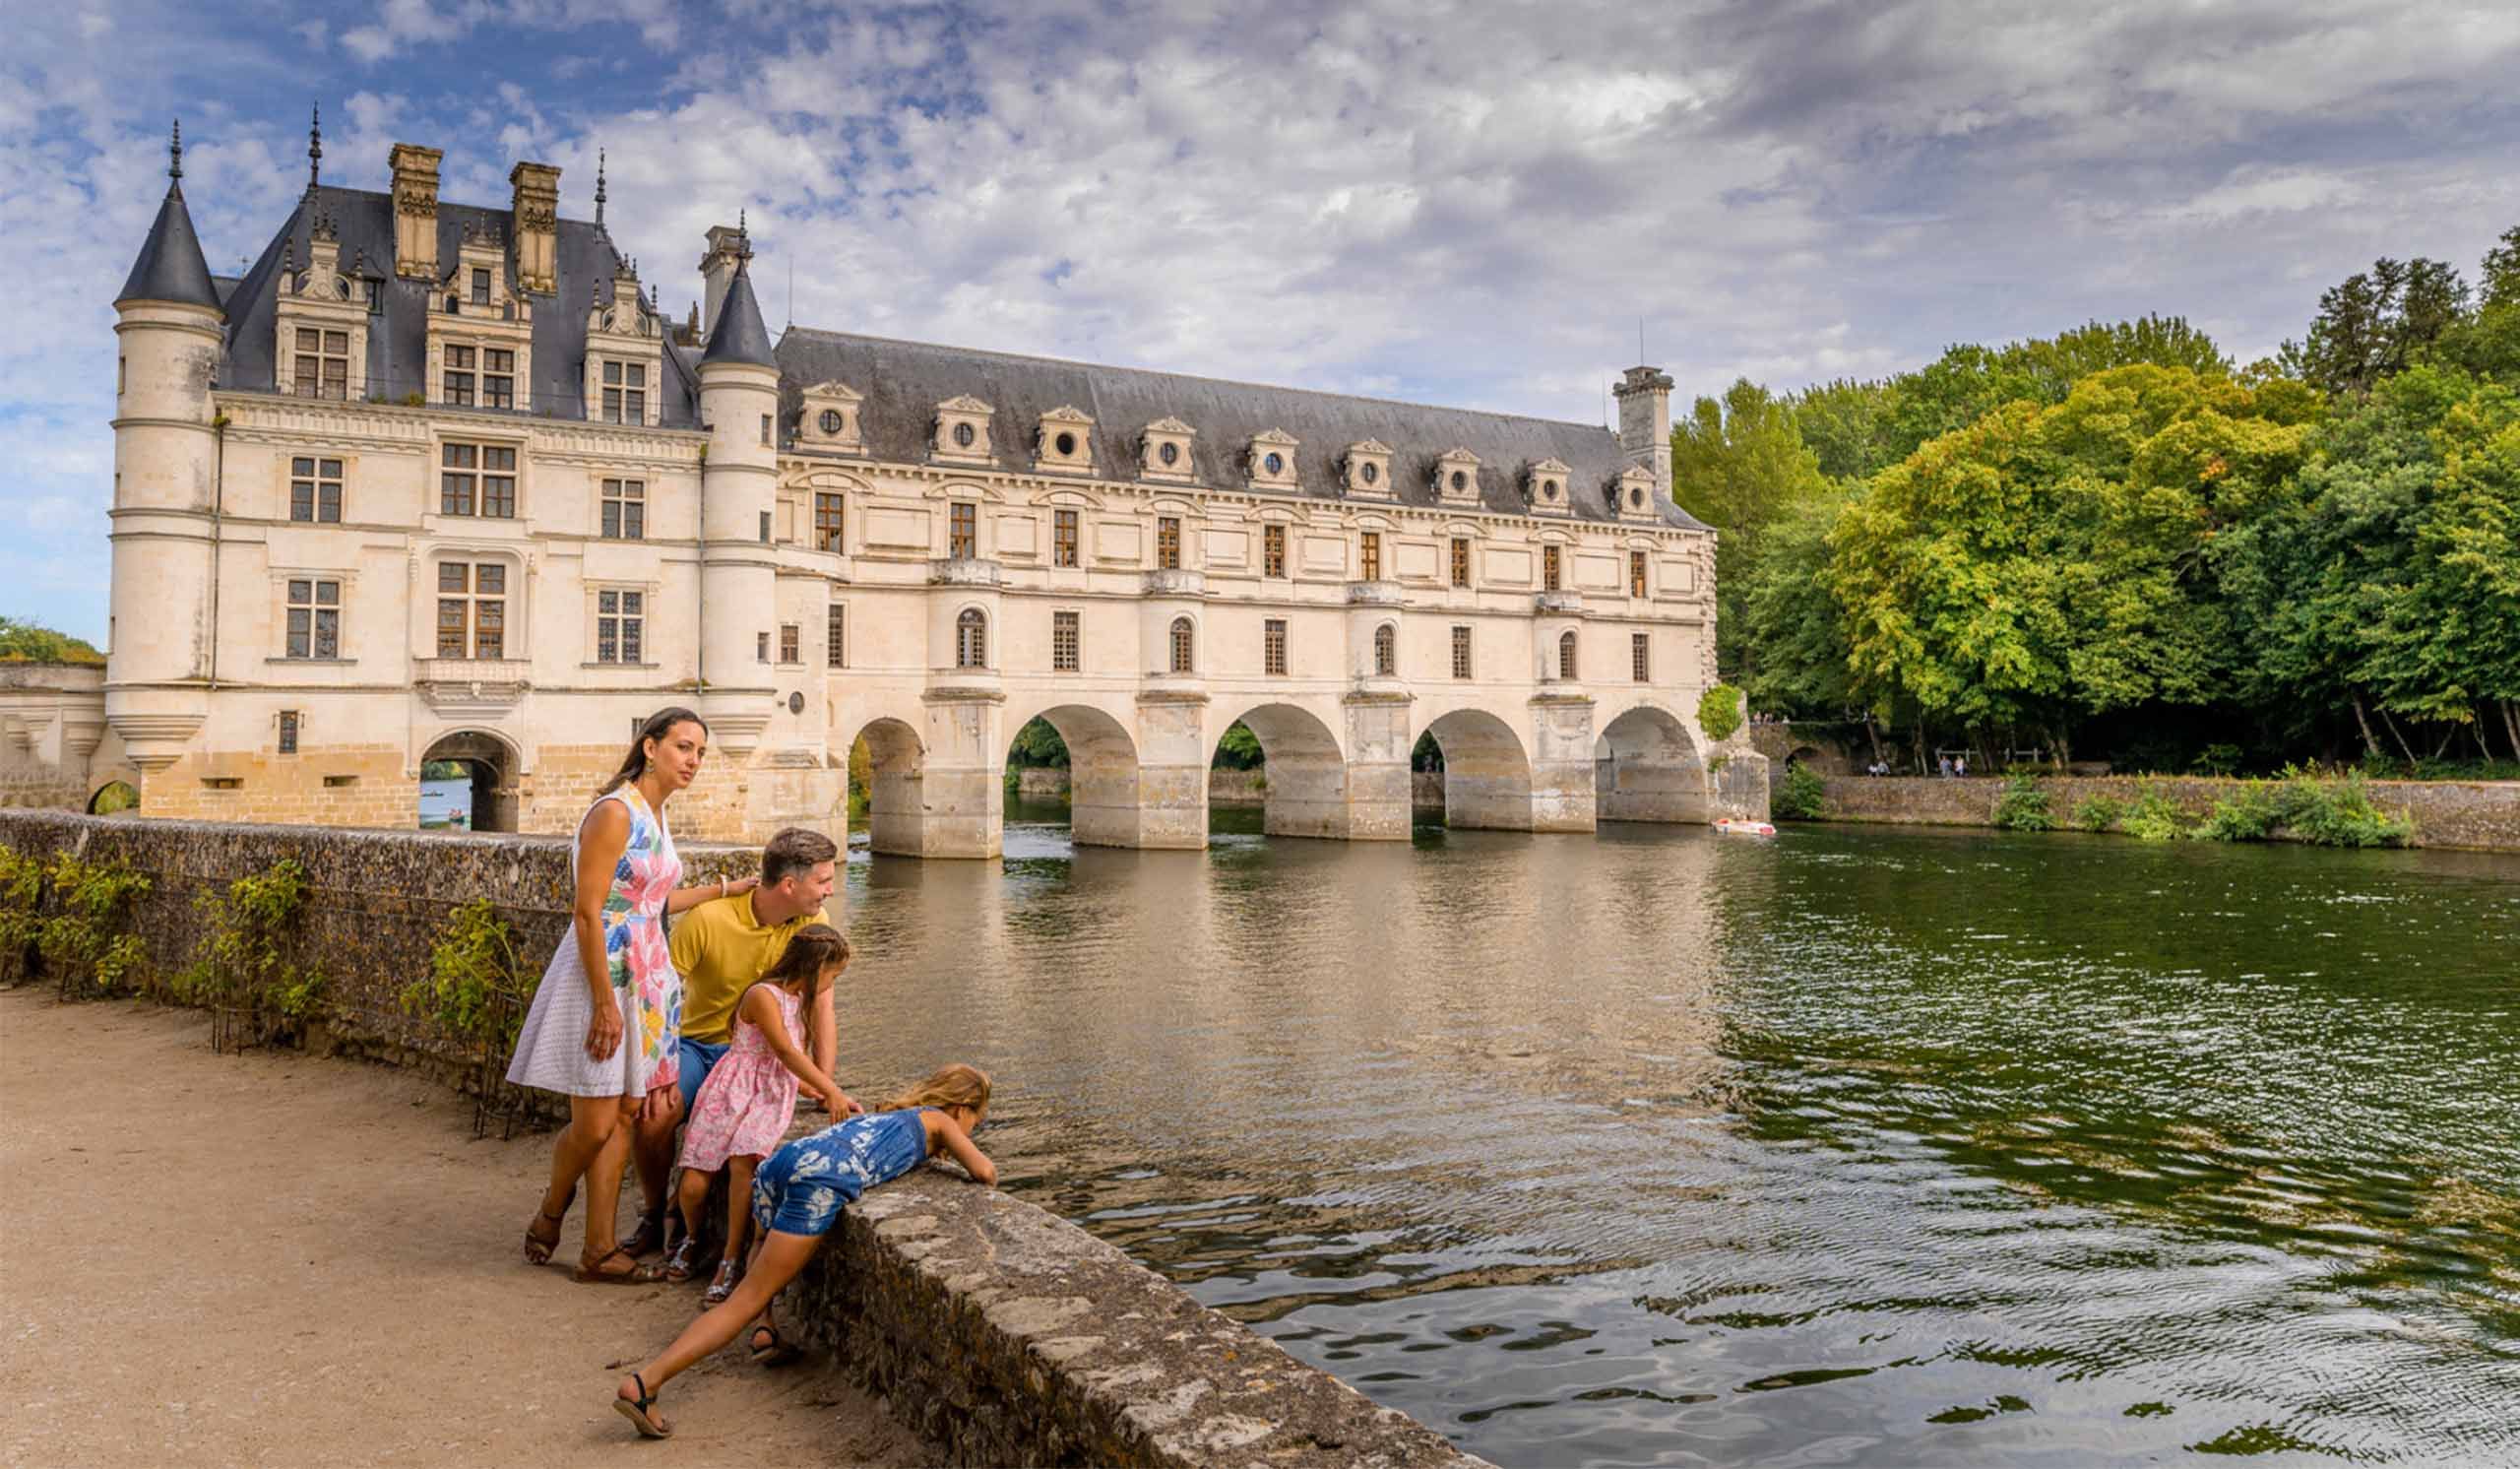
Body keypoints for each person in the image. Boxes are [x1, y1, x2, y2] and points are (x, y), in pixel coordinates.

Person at [611, 1064, 998, 1439]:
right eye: (973, 1124)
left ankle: (766, 1328)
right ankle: (646, 1382)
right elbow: (985, 1173)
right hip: (821, 1180)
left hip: (786, 1162)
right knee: (744, 1300)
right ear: (961, 1108)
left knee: (761, 1246)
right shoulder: (942, 1121)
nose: (969, 1131)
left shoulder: (894, 1116)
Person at [507, 708, 755, 1284]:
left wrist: (724, 888)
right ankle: (552, 1208)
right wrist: (601, 1002)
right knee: (595, 1124)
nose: (692, 760)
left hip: (648, 979)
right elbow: (589, 911)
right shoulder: (615, 812)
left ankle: (598, 1249)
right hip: (606, 975)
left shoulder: (654, 814)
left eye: (699, 752)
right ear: (649, 747)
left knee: (622, 1114)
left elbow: (650, 904)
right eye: (683, 747)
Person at [627, 827, 843, 1262]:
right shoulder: (709, 920)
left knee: (748, 1145)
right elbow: (659, 996)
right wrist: (659, 1069)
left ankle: (685, 1218)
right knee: (654, 1117)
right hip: (697, 1045)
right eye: (823, 880)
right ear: (789, 884)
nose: (831, 890)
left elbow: (821, 1006)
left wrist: (825, 1083)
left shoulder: (814, 925)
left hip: (759, 1056)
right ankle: (654, 1214)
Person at [668, 925, 859, 1305]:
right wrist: (832, 1089)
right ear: (815, 968)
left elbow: (785, 1065)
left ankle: (730, 1257)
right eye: (833, 976)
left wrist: (821, 1092)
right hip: (732, 1088)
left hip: (769, 1094)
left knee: (745, 1162)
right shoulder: (762, 996)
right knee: (694, 1181)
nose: (831, 985)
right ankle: (691, 1236)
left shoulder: (798, 1001)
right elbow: (787, 1053)